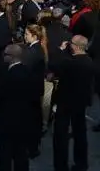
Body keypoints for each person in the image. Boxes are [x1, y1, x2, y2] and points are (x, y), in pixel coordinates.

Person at [0, 43, 37, 171]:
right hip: (24, 120)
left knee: (5, 155)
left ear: (11, 57)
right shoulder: (28, 73)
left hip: (6, 121)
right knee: (21, 154)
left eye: (5, 55)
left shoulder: (6, 76)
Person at [51, 35, 94, 171]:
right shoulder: (89, 61)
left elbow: (53, 64)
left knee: (60, 135)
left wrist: (61, 50)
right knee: (80, 133)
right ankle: (81, 163)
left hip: (65, 102)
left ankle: (61, 165)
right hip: (81, 102)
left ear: (75, 46)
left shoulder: (69, 63)